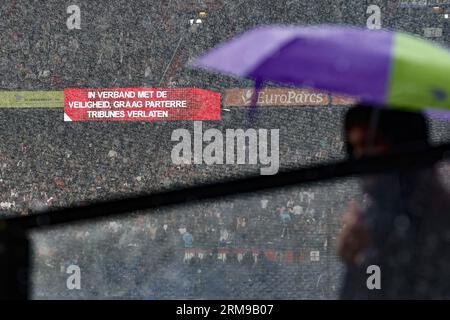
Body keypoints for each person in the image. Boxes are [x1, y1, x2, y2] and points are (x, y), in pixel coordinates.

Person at [338, 104, 450, 299]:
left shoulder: (438, 219)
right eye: (354, 147)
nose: (360, 157)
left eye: (370, 143)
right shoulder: (373, 217)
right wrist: (354, 261)